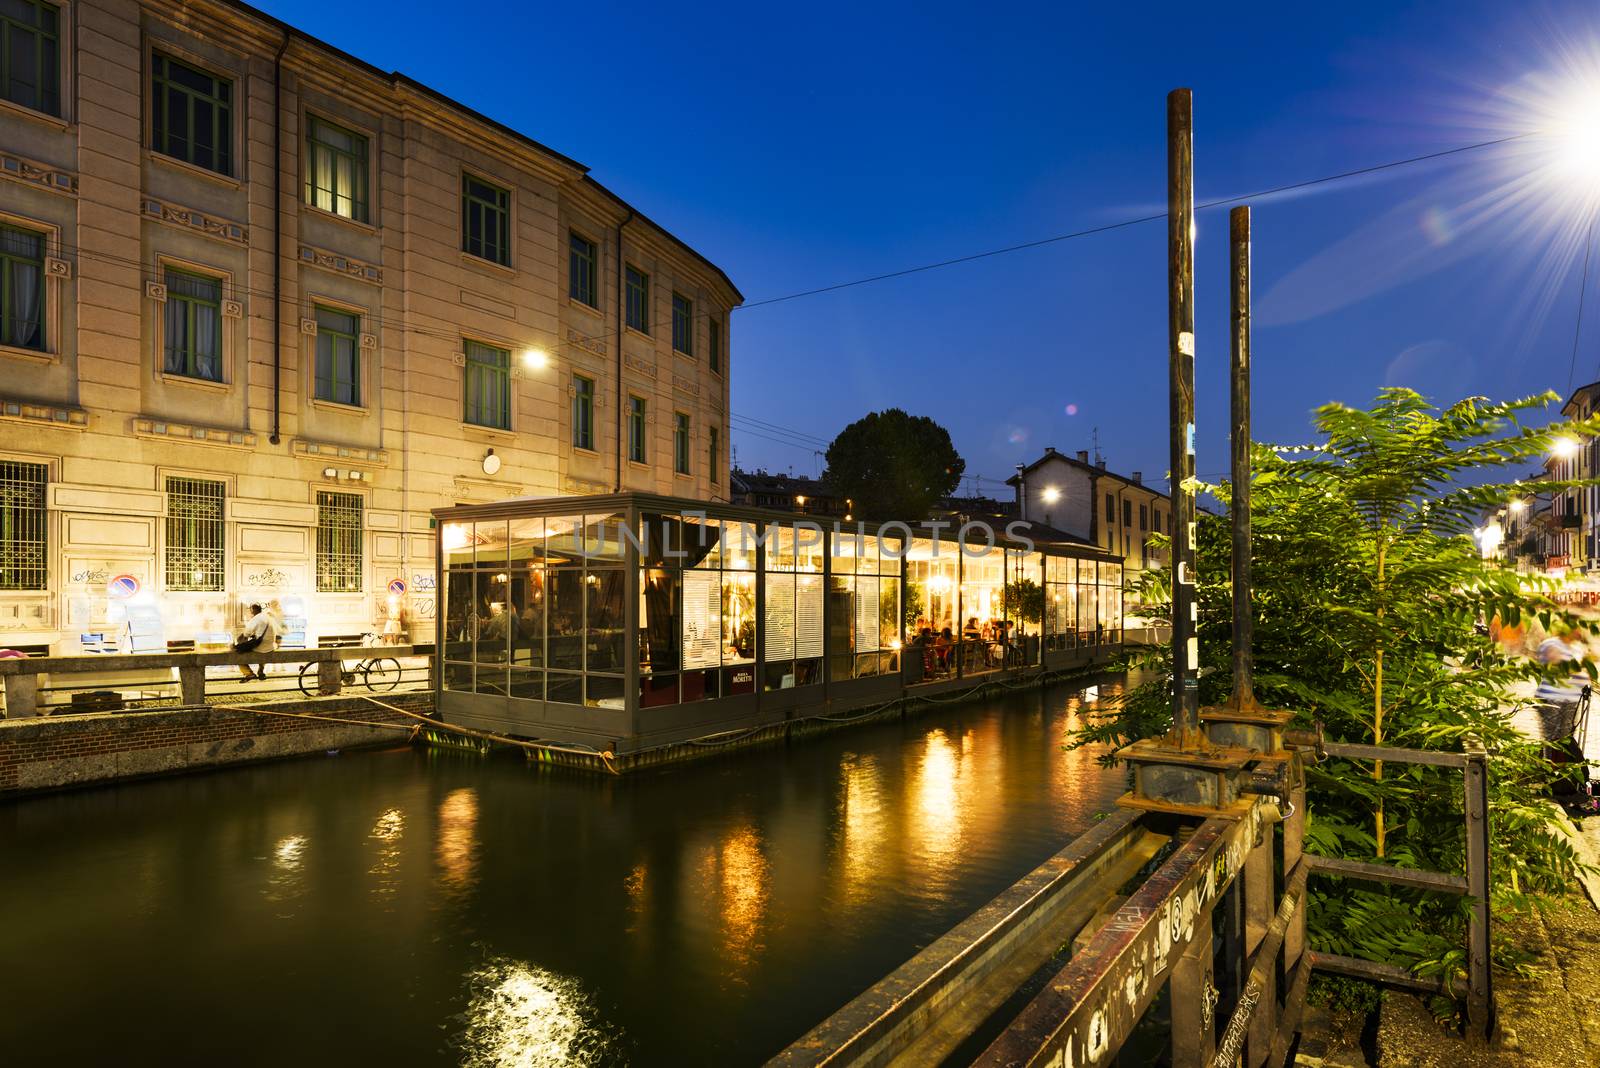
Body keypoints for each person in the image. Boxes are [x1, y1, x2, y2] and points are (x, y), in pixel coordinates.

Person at [237, 603, 277, 681]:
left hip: (261, 648)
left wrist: (241, 641)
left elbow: (246, 634)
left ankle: (249, 673)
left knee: (238, 654)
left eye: (250, 611)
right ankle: (261, 671)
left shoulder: (256, 619)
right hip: (271, 647)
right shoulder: (268, 617)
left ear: (252, 610)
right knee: (263, 647)